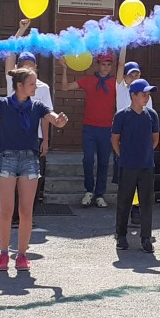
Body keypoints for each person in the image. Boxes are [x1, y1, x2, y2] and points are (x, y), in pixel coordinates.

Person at [0, 67, 69, 271]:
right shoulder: (3, 103)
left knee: (26, 212)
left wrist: (60, 121)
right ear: (19, 86)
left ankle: (21, 255)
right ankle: (3, 254)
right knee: (6, 211)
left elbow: (55, 119)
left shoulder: (37, 106)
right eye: (31, 84)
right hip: (7, 158)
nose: (35, 87)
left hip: (30, 160)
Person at [5, 19, 54, 207]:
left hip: (34, 138)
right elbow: (9, 53)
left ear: (35, 67)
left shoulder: (43, 88)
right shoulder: (12, 82)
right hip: (12, 137)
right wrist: (21, 30)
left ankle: (27, 214)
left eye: (30, 65)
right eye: (23, 65)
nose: (27, 68)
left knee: (31, 178)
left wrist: (46, 140)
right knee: (11, 177)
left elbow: (46, 116)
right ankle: (13, 215)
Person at [60, 53, 117, 208]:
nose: (106, 67)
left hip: (107, 128)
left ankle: (100, 194)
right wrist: (64, 69)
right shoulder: (88, 80)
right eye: (103, 64)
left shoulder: (115, 83)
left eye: (109, 64)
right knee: (88, 159)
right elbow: (65, 87)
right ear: (97, 65)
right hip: (90, 128)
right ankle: (89, 191)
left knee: (104, 162)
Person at [112, 79, 160, 254]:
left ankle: (146, 238)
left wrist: (145, 153)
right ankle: (121, 235)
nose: (147, 97)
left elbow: (155, 138)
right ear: (133, 95)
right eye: (143, 94)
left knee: (146, 203)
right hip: (128, 165)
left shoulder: (152, 115)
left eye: (148, 95)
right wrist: (123, 156)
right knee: (124, 202)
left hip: (147, 165)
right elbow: (115, 140)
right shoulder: (122, 115)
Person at [115, 46, 152, 225]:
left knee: (140, 178)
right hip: (124, 137)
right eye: (131, 74)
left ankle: (136, 210)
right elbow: (120, 64)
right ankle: (125, 211)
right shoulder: (121, 88)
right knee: (125, 179)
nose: (134, 77)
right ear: (124, 77)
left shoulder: (146, 95)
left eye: (137, 74)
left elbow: (150, 118)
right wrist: (124, 44)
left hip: (141, 139)